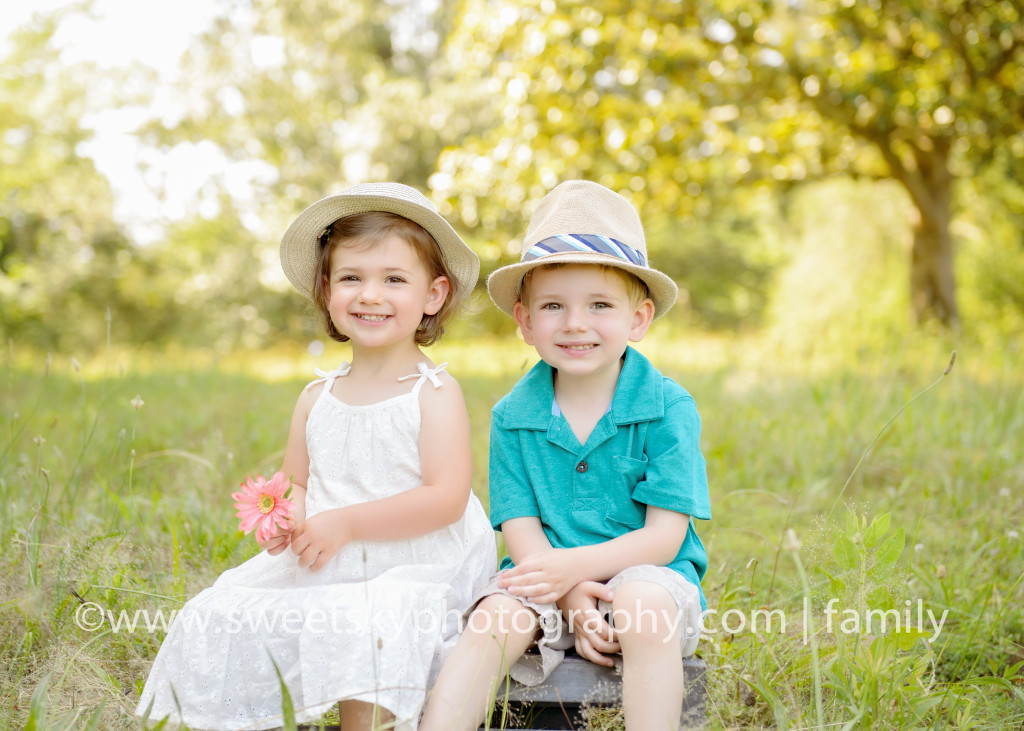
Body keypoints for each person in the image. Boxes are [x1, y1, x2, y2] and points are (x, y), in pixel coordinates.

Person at [136, 183, 495, 731]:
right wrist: (287, 518)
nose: (370, 295)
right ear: (327, 290)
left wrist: (346, 522)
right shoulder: (316, 396)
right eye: (352, 278)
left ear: (433, 295)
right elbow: (295, 484)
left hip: (417, 561)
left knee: (372, 621)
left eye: (394, 279)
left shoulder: (431, 391)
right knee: (220, 611)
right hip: (333, 550)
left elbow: (445, 500)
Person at [420, 180, 711, 731]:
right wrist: (571, 592)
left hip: (649, 575)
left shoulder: (667, 406)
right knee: (492, 620)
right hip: (540, 576)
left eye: (600, 305)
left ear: (638, 319)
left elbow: (664, 536)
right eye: (554, 306)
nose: (575, 323)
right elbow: (520, 525)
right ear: (525, 322)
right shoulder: (514, 414)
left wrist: (576, 571)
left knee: (643, 610)